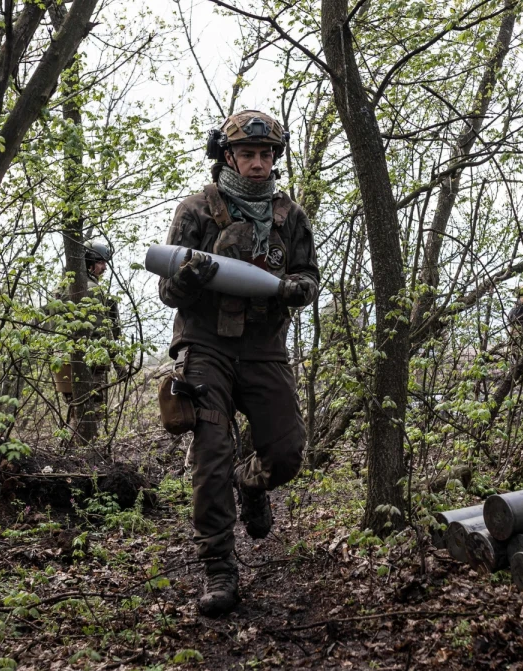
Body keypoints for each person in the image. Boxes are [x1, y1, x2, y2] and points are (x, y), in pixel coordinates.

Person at [157, 110, 319, 616]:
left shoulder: (289, 216)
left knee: (288, 451)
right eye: (247, 154)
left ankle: (253, 484)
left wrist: (297, 290)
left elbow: (308, 276)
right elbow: (167, 289)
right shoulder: (197, 211)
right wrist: (192, 276)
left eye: (265, 155)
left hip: (265, 347)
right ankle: (219, 568)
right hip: (206, 346)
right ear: (227, 156)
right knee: (211, 454)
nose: (257, 163)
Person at [53, 240, 122, 428]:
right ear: (89, 262)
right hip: (90, 364)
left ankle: (72, 453)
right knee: (92, 415)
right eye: (100, 262)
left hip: (63, 363)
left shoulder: (62, 288)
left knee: (76, 410)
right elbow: (103, 333)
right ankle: (85, 455)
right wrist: (119, 364)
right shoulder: (92, 290)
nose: (105, 267)